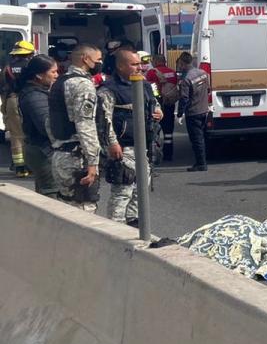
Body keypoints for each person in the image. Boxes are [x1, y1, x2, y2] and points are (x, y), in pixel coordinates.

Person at [96, 48, 163, 226]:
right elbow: (104, 119)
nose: (139, 67)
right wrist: (112, 143)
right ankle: (115, 227)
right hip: (124, 148)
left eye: (140, 63)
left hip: (144, 147)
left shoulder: (145, 85)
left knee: (140, 190)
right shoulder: (109, 90)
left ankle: (134, 224)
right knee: (123, 190)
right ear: (120, 66)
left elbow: (155, 104)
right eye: (134, 64)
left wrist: (158, 112)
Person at [48, 45, 105, 211]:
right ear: (85, 59)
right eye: (98, 59)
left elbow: (50, 120)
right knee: (85, 208)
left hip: (60, 154)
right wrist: (93, 162)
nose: (100, 63)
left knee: (65, 206)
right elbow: (85, 125)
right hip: (77, 157)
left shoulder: (59, 82)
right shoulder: (83, 85)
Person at [17, 55, 60, 197]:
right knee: (51, 196)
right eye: (53, 72)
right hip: (43, 151)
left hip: (41, 149)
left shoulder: (38, 92)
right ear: (39, 75)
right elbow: (46, 125)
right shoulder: (34, 96)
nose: (56, 75)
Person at [2, 40, 35, 177]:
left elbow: (2, 89)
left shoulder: (7, 68)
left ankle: (20, 167)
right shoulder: (33, 66)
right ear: (30, 53)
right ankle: (32, 164)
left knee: (16, 135)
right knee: (32, 134)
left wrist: (4, 109)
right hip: (31, 100)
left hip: (12, 100)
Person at [177, 52, 211, 172]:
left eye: (180, 64)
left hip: (193, 112)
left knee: (196, 139)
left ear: (182, 63)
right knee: (202, 137)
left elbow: (184, 98)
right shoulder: (203, 73)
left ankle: (201, 163)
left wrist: (180, 114)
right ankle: (203, 161)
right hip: (204, 109)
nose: (179, 66)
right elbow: (208, 89)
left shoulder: (186, 79)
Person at [145, 54, 180, 162]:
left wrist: (157, 95)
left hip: (157, 103)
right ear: (164, 61)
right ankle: (169, 154)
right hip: (170, 103)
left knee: (154, 129)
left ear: (155, 61)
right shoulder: (172, 72)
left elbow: (149, 87)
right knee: (168, 131)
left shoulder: (152, 72)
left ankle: (154, 155)